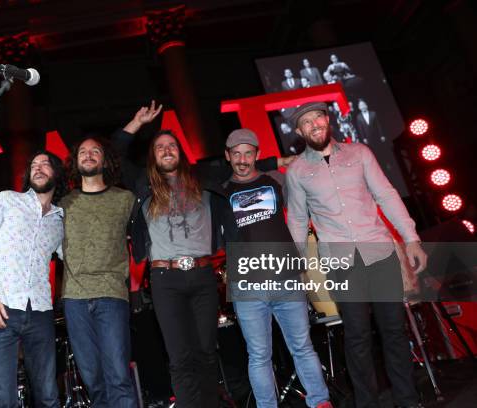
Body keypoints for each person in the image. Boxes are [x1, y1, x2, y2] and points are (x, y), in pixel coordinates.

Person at [114, 101, 291, 408]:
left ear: (180, 151)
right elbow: (114, 154)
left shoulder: (203, 176)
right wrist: (137, 122)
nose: (167, 150)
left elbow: (244, 165)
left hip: (202, 275)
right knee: (180, 357)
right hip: (164, 279)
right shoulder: (142, 183)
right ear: (153, 156)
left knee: (207, 353)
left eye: (172, 146)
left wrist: (288, 158)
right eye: (160, 148)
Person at [285, 102, 427, 408]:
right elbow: (297, 219)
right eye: (306, 122)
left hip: (378, 250)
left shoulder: (360, 153)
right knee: (358, 335)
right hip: (340, 259)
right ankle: (367, 403)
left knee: (393, 329)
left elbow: (386, 194)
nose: (314, 124)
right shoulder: (297, 172)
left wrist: (411, 238)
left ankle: (407, 400)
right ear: (299, 131)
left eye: (317, 118)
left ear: (327, 120)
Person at [221, 128, 331, 408]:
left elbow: (309, 165)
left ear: (257, 154)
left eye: (248, 153)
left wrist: (276, 163)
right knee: (258, 355)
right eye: (236, 154)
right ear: (227, 156)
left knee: (302, 347)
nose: (242, 159)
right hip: (247, 285)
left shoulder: (277, 180)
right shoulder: (219, 191)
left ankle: (320, 402)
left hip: (286, 277)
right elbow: (197, 170)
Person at [0, 151, 67, 408]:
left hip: (40, 313)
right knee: (4, 399)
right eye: (34, 164)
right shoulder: (7, 200)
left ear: (56, 173)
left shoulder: (60, 220)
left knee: (48, 395)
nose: (38, 168)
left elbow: (73, 258)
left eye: (45, 164)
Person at [60, 136, 138, 407]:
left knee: (118, 376)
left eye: (95, 151)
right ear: (75, 161)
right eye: (83, 151)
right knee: (93, 381)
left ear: (105, 160)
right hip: (74, 298)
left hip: (111, 295)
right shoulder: (62, 205)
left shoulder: (125, 199)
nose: (89, 155)